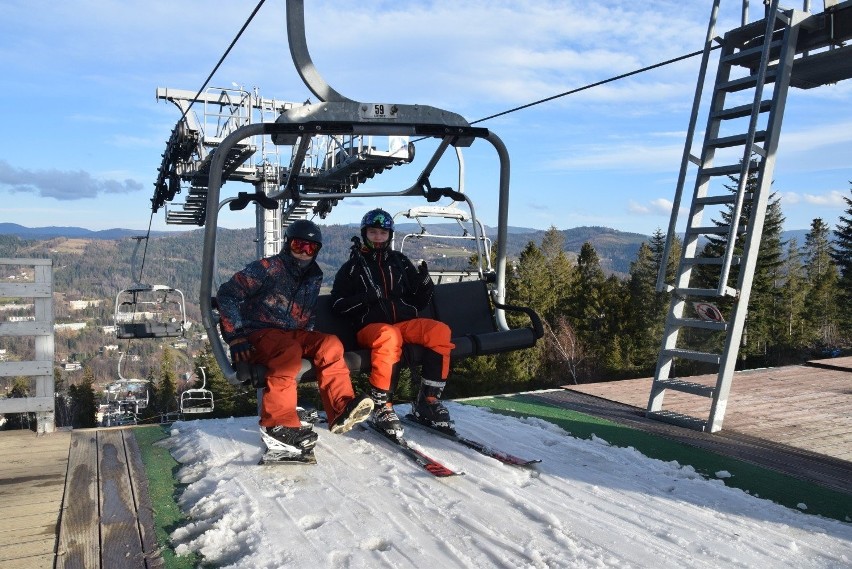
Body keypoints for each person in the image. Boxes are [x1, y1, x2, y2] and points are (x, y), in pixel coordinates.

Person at [217, 219, 374, 458]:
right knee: (288, 353)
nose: (303, 252)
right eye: (298, 245)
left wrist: (310, 338)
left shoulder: (314, 275)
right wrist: (236, 337)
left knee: (330, 343)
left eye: (310, 248)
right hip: (260, 331)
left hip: (293, 333)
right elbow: (227, 295)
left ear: (317, 250)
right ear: (287, 243)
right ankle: (278, 425)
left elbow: (307, 311)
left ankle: (341, 406)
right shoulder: (267, 268)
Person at [330, 208, 455, 439]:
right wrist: (366, 297)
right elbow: (338, 304)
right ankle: (383, 405)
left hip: (403, 324)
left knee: (439, 331)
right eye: (373, 232)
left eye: (383, 233)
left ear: (390, 235)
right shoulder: (353, 268)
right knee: (388, 336)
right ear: (365, 233)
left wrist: (424, 286)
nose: (378, 237)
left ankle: (428, 400)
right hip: (371, 329)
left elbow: (417, 300)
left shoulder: (399, 263)